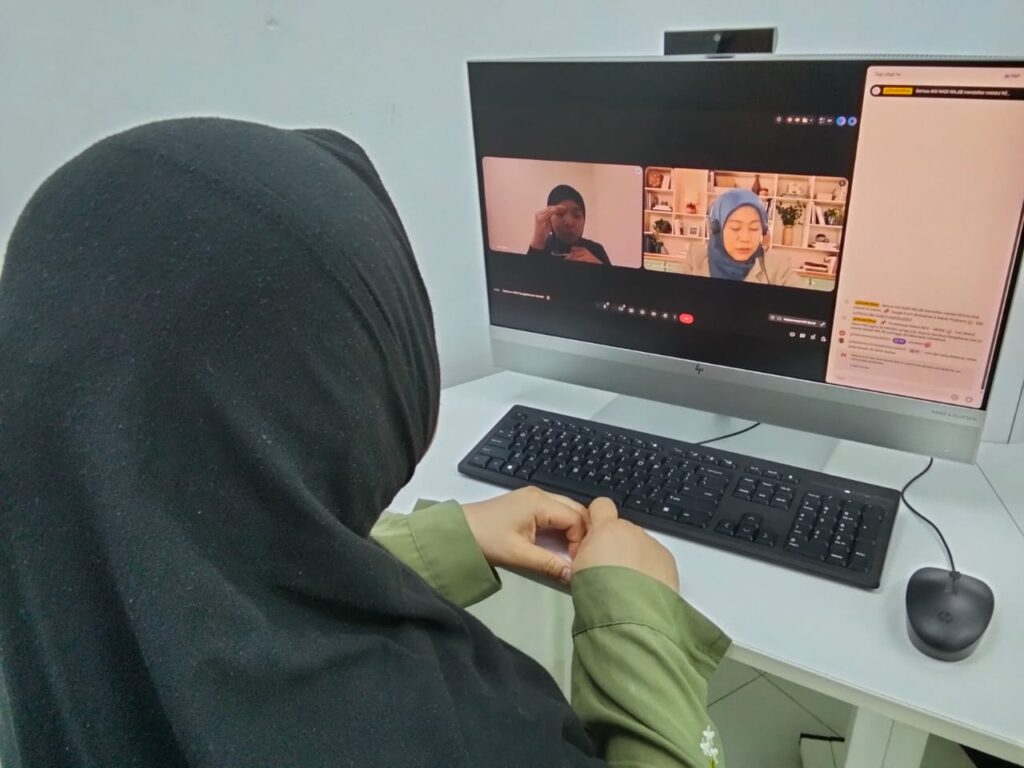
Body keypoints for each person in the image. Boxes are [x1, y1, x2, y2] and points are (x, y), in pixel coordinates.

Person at [0, 119, 727, 767]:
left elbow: (219, 574)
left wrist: (428, 544)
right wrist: (637, 621)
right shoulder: (441, 737)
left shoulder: (47, 598)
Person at [680, 188, 803, 287]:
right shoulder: (695, 257)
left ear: (763, 230)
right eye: (735, 227)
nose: (745, 238)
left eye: (754, 228)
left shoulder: (777, 264)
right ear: (717, 229)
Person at [527, 184, 611, 265]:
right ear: (549, 217)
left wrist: (599, 267)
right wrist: (536, 245)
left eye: (576, 215)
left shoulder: (596, 250)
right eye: (560, 214)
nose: (569, 222)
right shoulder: (540, 246)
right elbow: (525, 274)